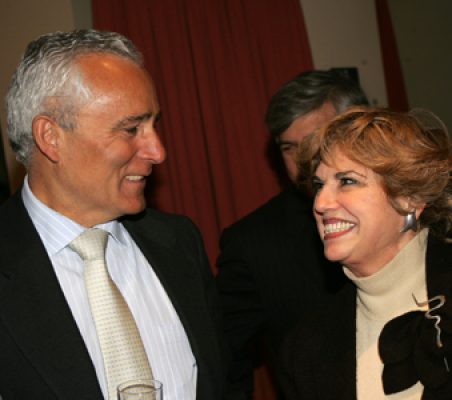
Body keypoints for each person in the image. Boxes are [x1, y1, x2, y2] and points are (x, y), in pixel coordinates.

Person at [0, 29, 227, 400]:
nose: (157, 151)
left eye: (154, 125)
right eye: (131, 129)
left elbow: (227, 379)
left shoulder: (179, 243)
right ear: (51, 137)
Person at [279, 107, 452, 399]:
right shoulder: (305, 348)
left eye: (347, 181)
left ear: (409, 197)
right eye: (319, 185)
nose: (320, 203)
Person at [216, 70, 369, 398]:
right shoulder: (252, 244)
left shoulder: (411, 208)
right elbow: (223, 359)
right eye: (289, 147)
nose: (303, 161)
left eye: (315, 141)